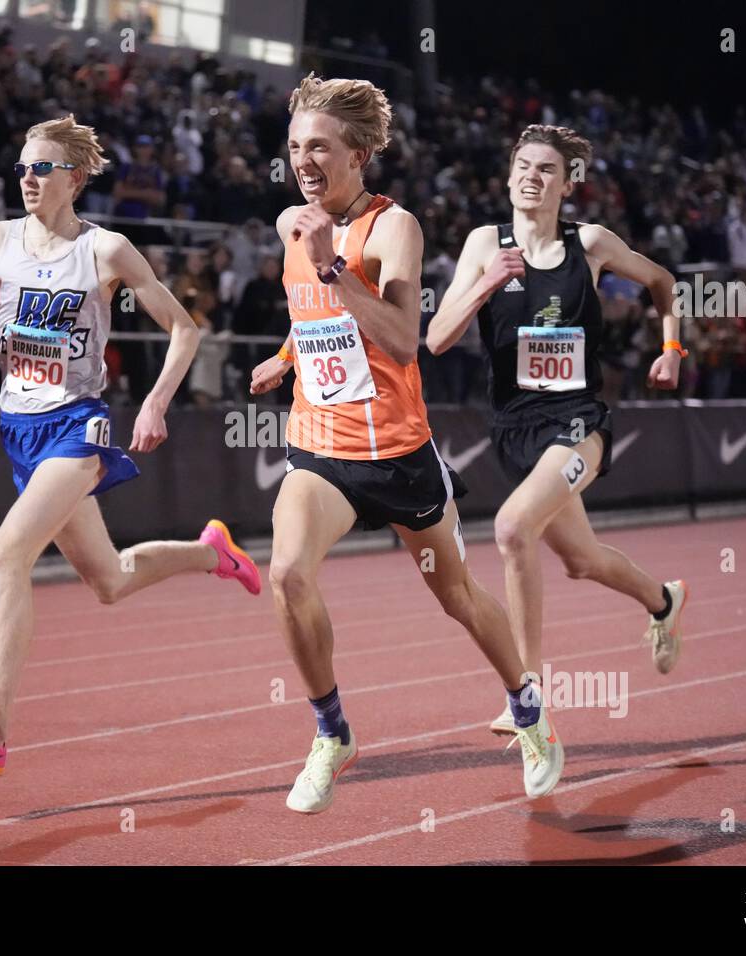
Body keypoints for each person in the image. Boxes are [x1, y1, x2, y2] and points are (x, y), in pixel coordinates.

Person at [249, 75, 563, 814]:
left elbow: (400, 342)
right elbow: (312, 311)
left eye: (318, 147)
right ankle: (332, 731)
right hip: (319, 445)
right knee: (288, 573)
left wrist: (333, 264)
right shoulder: (289, 224)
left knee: (454, 593)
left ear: (357, 154)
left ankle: (528, 708)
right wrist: (289, 355)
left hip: (396, 453)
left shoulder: (395, 229)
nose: (303, 160)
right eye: (295, 146)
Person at [0, 116, 260, 775]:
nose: (27, 178)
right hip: (19, 429)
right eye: (21, 167)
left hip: (80, 424)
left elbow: (185, 330)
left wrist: (157, 401)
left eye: (42, 168)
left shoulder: (105, 251)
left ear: (73, 179)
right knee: (108, 581)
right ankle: (209, 553)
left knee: (5, 555)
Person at [425, 125, 690, 736]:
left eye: (546, 169)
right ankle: (664, 601)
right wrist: (490, 279)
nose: (531, 177)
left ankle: (529, 690)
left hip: (578, 423)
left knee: (513, 527)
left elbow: (662, 283)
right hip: (514, 429)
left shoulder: (590, 243)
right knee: (581, 560)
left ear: (568, 184)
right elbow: (437, 340)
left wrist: (671, 348)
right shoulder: (483, 242)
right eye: (523, 165)